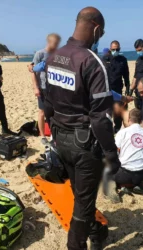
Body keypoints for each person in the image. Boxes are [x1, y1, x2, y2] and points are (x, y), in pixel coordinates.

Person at [43, 7, 120, 250]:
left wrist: (54, 131)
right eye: (102, 32)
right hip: (84, 143)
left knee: (81, 197)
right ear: (97, 29)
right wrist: (111, 153)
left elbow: (47, 103)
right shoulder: (91, 61)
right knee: (84, 202)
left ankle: (98, 232)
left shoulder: (53, 56)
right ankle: (77, 244)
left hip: (60, 137)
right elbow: (101, 116)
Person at [113, 108, 143, 194]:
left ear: (129, 119)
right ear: (141, 120)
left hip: (123, 175)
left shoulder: (123, 132)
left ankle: (118, 185)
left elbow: (115, 149)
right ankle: (138, 184)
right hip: (141, 175)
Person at [28, 33, 61, 145]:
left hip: (55, 88)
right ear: (49, 42)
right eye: (54, 43)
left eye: (57, 43)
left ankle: (54, 134)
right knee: (42, 112)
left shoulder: (57, 54)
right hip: (42, 88)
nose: (56, 45)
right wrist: (35, 88)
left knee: (55, 112)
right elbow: (32, 71)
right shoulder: (40, 53)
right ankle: (42, 136)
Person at [102, 40, 130, 133]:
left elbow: (126, 75)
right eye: (113, 49)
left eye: (117, 49)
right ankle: (107, 129)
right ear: (110, 49)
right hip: (106, 88)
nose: (115, 50)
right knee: (107, 109)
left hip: (118, 88)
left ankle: (117, 128)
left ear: (120, 49)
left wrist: (128, 88)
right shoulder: (104, 59)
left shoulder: (123, 60)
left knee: (118, 110)